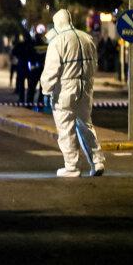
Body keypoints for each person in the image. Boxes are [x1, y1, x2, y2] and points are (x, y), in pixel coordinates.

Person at [40, 9, 106, 178]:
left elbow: (51, 71)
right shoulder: (87, 38)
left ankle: (72, 166)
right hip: (86, 87)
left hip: (65, 90)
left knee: (66, 128)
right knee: (86, 125)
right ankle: (97, 161)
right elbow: (95, 64)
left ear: (57, 24)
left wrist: (46, 90)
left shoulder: (58, 41)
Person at [12, 34, 33, 103]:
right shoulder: (31, 45)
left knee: (22, 84)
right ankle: (29, 99)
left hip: (22, 65)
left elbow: (14, 52)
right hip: (29, 66)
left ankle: (22, 99)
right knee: (30, 85)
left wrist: (19, 56)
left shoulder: (20, 45)